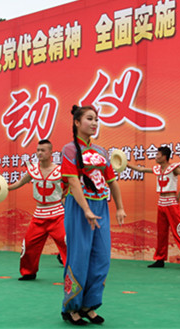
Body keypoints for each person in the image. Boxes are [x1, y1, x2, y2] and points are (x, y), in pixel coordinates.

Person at [60, 105, 126, 325]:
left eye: (96, 119)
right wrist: (86, 210)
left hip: (100, 207)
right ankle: (71, 307)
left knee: (101, 257)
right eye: (90, 118)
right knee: (79, 257)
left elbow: (112, 181)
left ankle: (89, 305)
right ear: (77, 122)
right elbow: (72, 182)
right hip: (79, 208)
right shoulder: (69, 150)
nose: (95, 123)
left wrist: (119, 207)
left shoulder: (101, 152)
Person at [128, 146, 180, 271]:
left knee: (179, 230)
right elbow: (141, 169)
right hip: (161, 202)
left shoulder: (173, 168)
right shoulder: (157, 169)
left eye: (158, 154)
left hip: (171, 202)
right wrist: (126, 164)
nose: (156, 157)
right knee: (161, 232)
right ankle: (160, 259)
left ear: (164, 156)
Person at [8, 139, 67, 280]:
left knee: (67, 243)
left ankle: (74, 273)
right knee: (29, 244)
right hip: (39, 214)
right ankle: (28, 272)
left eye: (43, 150)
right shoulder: (33, 169)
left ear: (51, 152)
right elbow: (20, 182)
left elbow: (71, 186)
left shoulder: (60, 170)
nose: (40, 153)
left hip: (57, 214)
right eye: (38, 150)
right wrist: (5, 188)